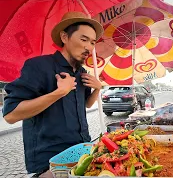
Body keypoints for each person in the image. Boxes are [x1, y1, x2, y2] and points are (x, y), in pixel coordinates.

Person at [2, 12, 104, 177]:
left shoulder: (82, 72)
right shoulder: (38, 66)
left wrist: (98, 88)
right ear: (64, 37)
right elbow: (11, 115)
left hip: (82, 155)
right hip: (49, 163)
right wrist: (59, 93)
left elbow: (86, 104)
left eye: (93, 42)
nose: (89, 47)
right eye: (84, 39)